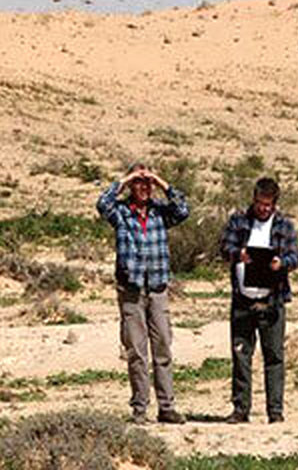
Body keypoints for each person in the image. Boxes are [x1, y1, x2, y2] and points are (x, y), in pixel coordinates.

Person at [96, 162, 190, 425]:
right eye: (140, 183)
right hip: (132, 289)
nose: (144, 188)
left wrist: (161, 181)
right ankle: (140, 407)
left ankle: (167, 406)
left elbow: (183, 209)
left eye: (147, 184)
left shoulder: (161, 212)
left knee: (163, 348)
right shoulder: (122, 212)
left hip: (158, 287)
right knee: (136, 351)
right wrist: (125, 180)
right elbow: (102, 204)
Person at [218, 176, 298, 424]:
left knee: (273, 356)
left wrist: (281, 263)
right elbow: (223, 247)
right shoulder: (239, 221)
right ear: (253, 200)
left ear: (274, 203)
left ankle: (275, 411)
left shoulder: (284, 226)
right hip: (243, 299)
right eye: (259, 203)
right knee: (241, 353)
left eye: (267, 205)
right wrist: (238, 254)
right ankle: (240, 408)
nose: (263, 209)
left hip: (272, 299)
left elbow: (296, 257)